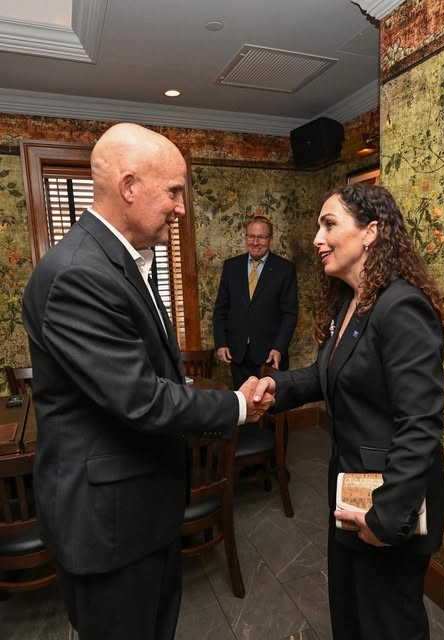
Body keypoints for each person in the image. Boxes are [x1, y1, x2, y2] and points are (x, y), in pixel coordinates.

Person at [22, 123, 273, 640]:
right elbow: (140, 399)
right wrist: (237, 406)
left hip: (141, 512)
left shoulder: (119, 260)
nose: (181, 208)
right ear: (129, 186)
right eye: (174, 191)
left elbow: (155, 372)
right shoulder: (78, 274)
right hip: (109, 527)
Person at [252, 183, 444, 640]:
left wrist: (385, 519)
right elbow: (329, 375)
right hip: (350, 495)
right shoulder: (351, 301)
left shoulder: (401, 305)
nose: (317, 239)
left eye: (329, 225)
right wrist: (275, 387)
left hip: (388, 505)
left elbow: (420, 425)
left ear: (370, 232)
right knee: (351, 617)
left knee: (388, 625)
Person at [213, 215, 298, 389]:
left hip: (270, 355)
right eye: (251, 236)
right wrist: (221, 343)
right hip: (238, 355)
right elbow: (221, 309)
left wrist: (278, 348)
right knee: (243, 403)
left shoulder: (285, 269)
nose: (255, 242)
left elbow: (290, 314)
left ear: (270, 239)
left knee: (273, 403)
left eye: (261, 237)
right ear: (245, 237)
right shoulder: (231, 267)